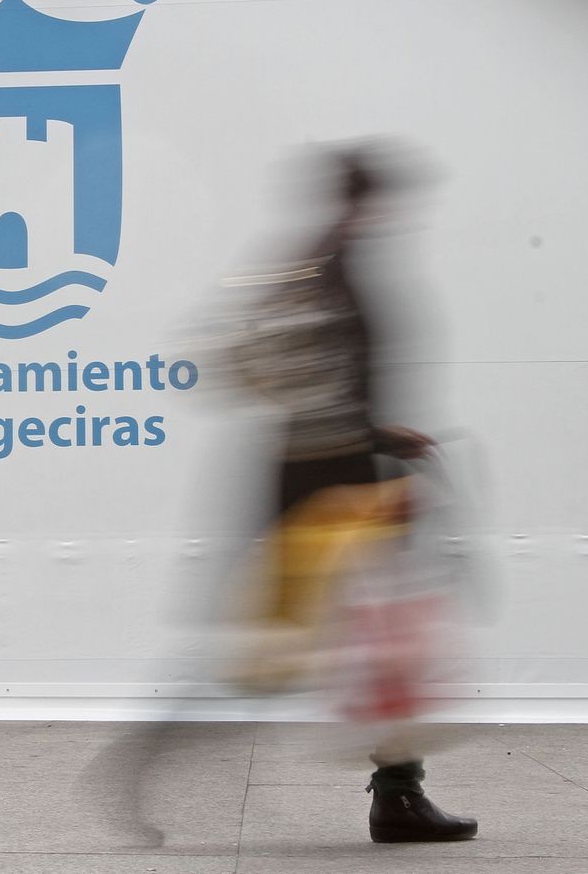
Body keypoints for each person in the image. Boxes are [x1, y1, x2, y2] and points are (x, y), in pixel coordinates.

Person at [221, 142, 477, 843]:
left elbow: (284, 376)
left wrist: (382, 435)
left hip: (327, 481)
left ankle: (399, 792)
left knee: (376, 642)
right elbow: (284, 377)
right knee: (378, 644)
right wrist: (370, 441)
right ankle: (396, 796)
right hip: (335, 491)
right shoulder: (324, 270)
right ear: (364, 202)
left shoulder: (312, 263)